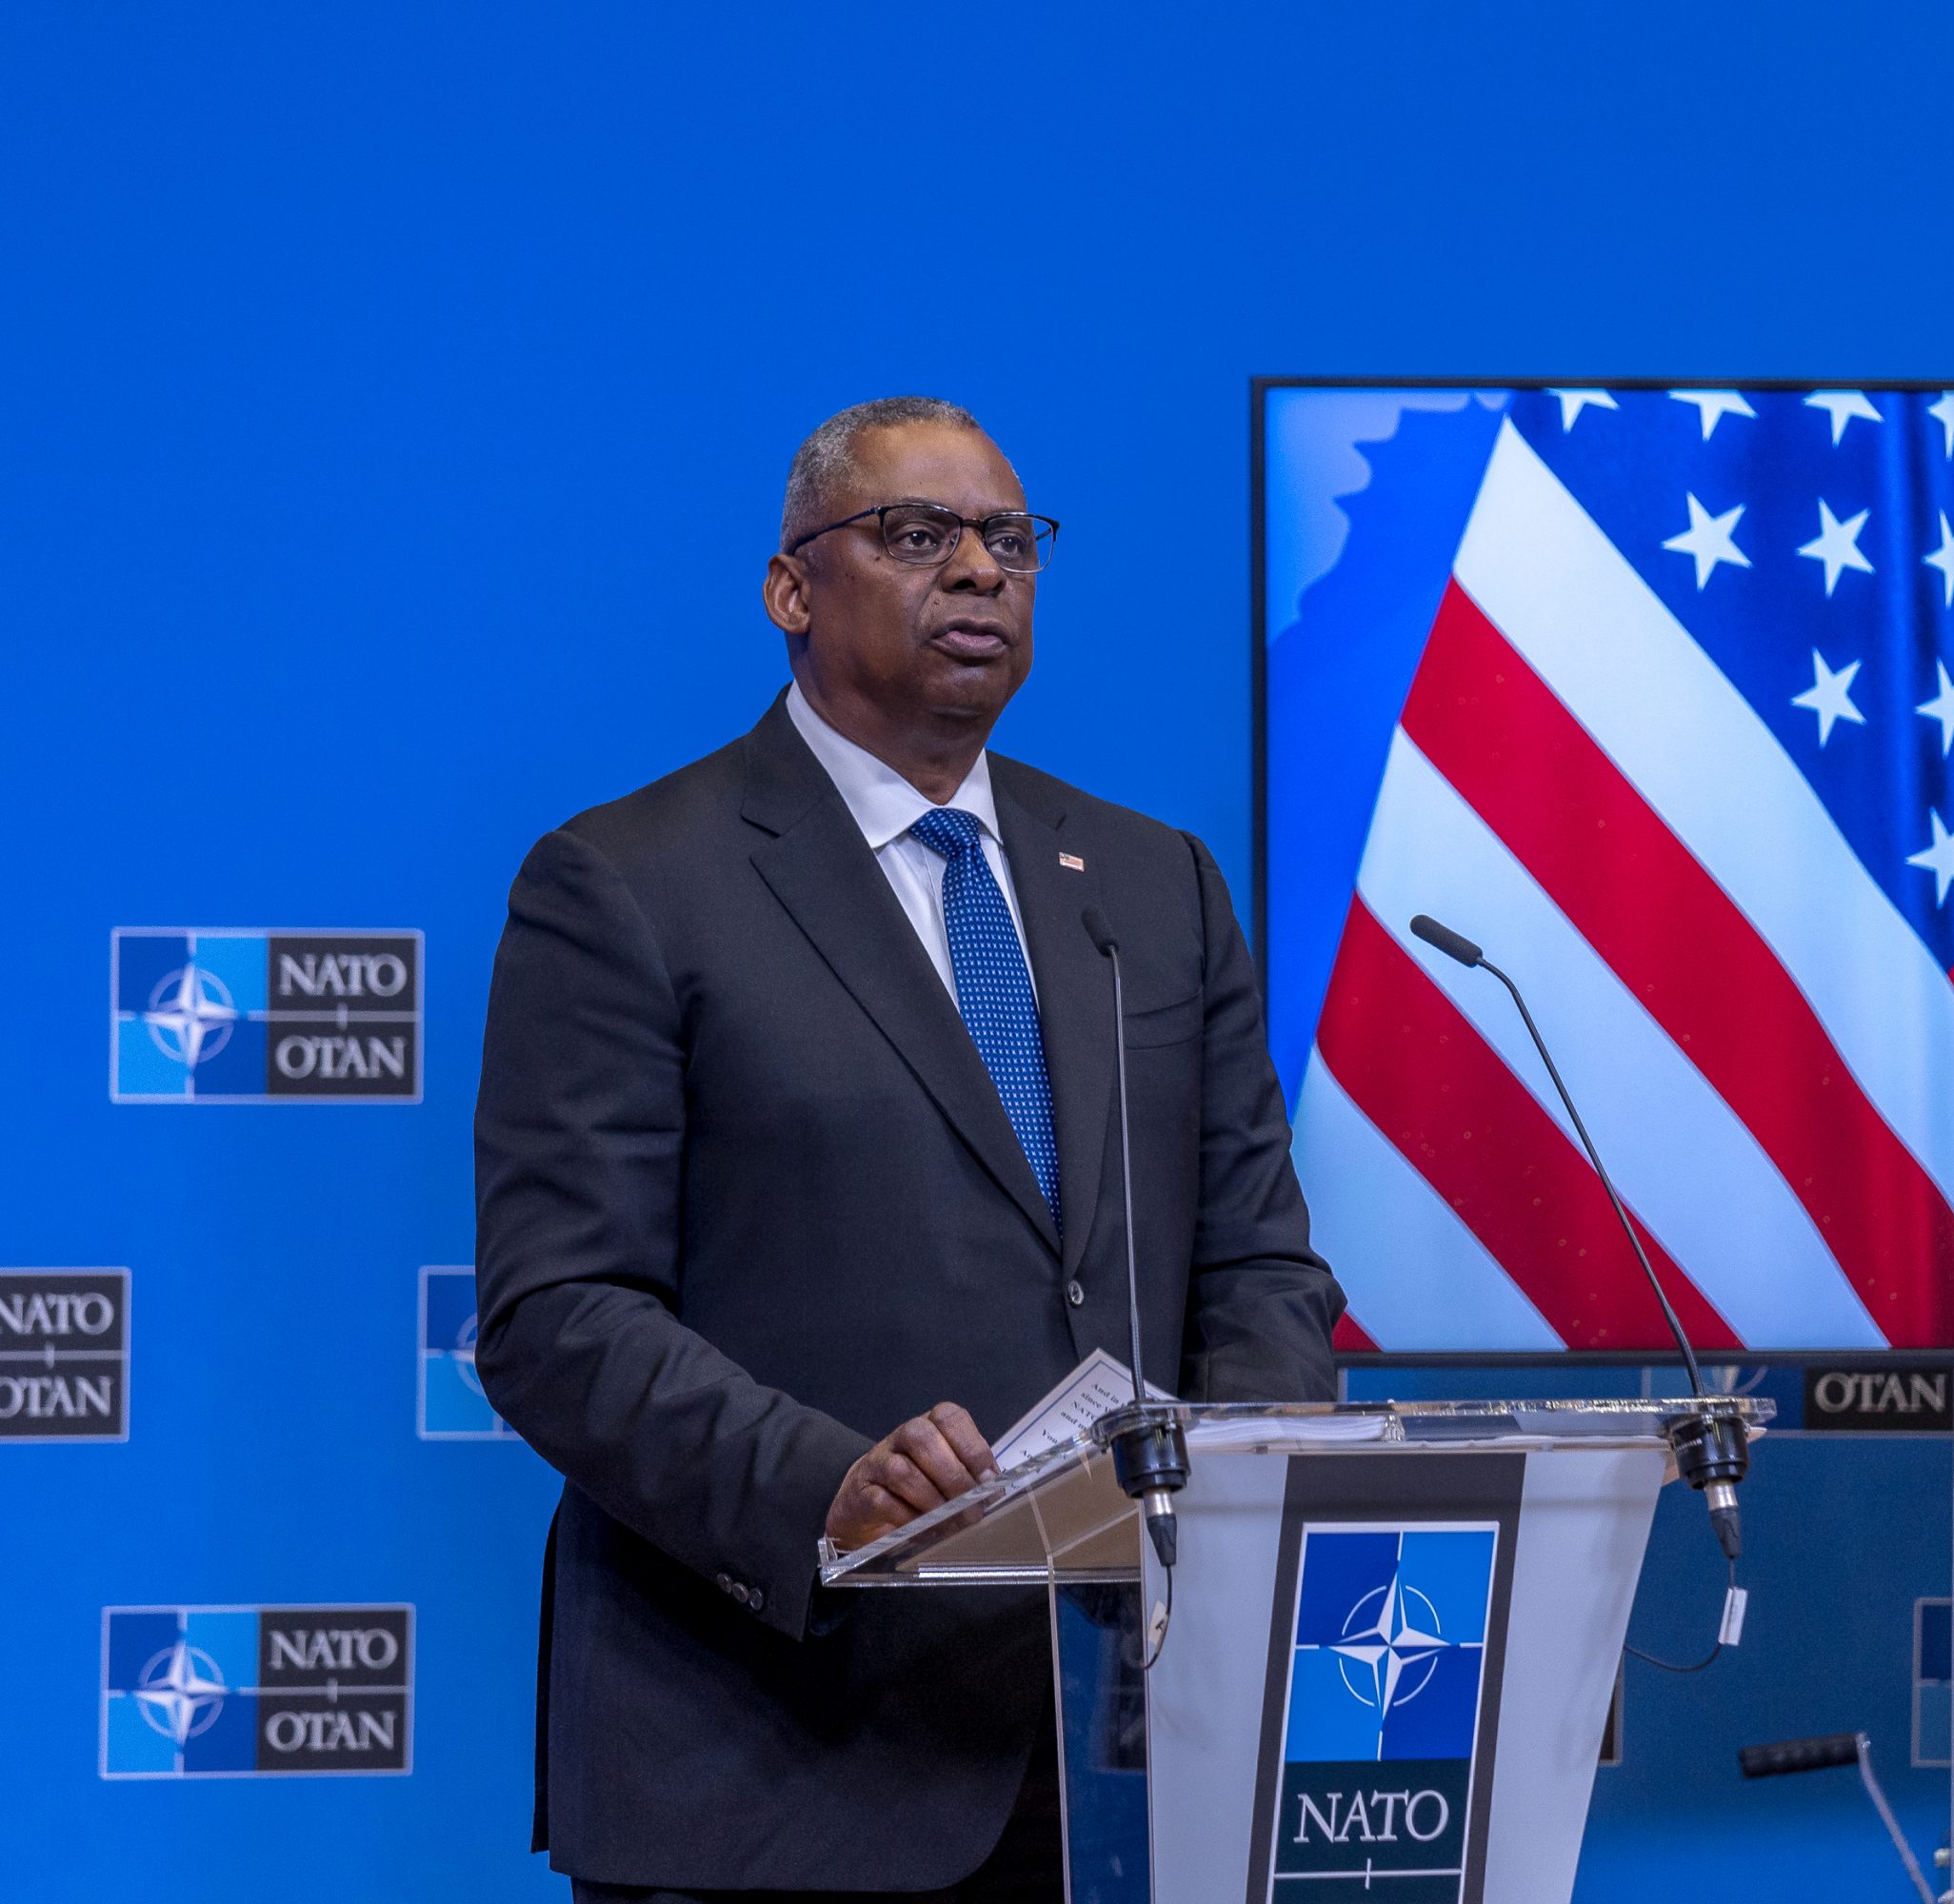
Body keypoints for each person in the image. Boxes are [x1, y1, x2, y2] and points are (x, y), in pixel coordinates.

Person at [473, 396, 1342, 1901]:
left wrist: (1241, 1506)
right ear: (792, 588)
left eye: (1010, 540)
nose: (980, 571)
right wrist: (831, 1488)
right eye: (917, 533)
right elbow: (560, 1318)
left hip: (1123, 1762)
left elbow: (1258, 1260)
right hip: (775, 1760)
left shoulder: (1153, 884)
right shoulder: (626, 884)